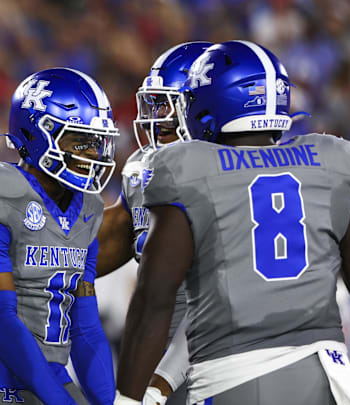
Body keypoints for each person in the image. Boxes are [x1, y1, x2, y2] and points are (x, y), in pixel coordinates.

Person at [114, 40, 350, 404]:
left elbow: (154, 300)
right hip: (330, 378)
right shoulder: (328, 162)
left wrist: (129, 398)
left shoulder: (191, 171)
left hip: (234, 378)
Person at [0, 67, 118, 404]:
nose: (93, 152)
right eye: (80, 139)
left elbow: (85, 326)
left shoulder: (88, 208)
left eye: (97, 141)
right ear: (39, 133)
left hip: (51, 374)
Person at [96, 42, 211, 405]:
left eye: (169, 104)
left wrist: (160, 383)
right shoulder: (143, 170)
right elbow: (90, 250)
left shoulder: (226, 175)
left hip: (225, 353)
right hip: (159, 353)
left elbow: (219, 297)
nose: (157, 116)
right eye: (154, 103)